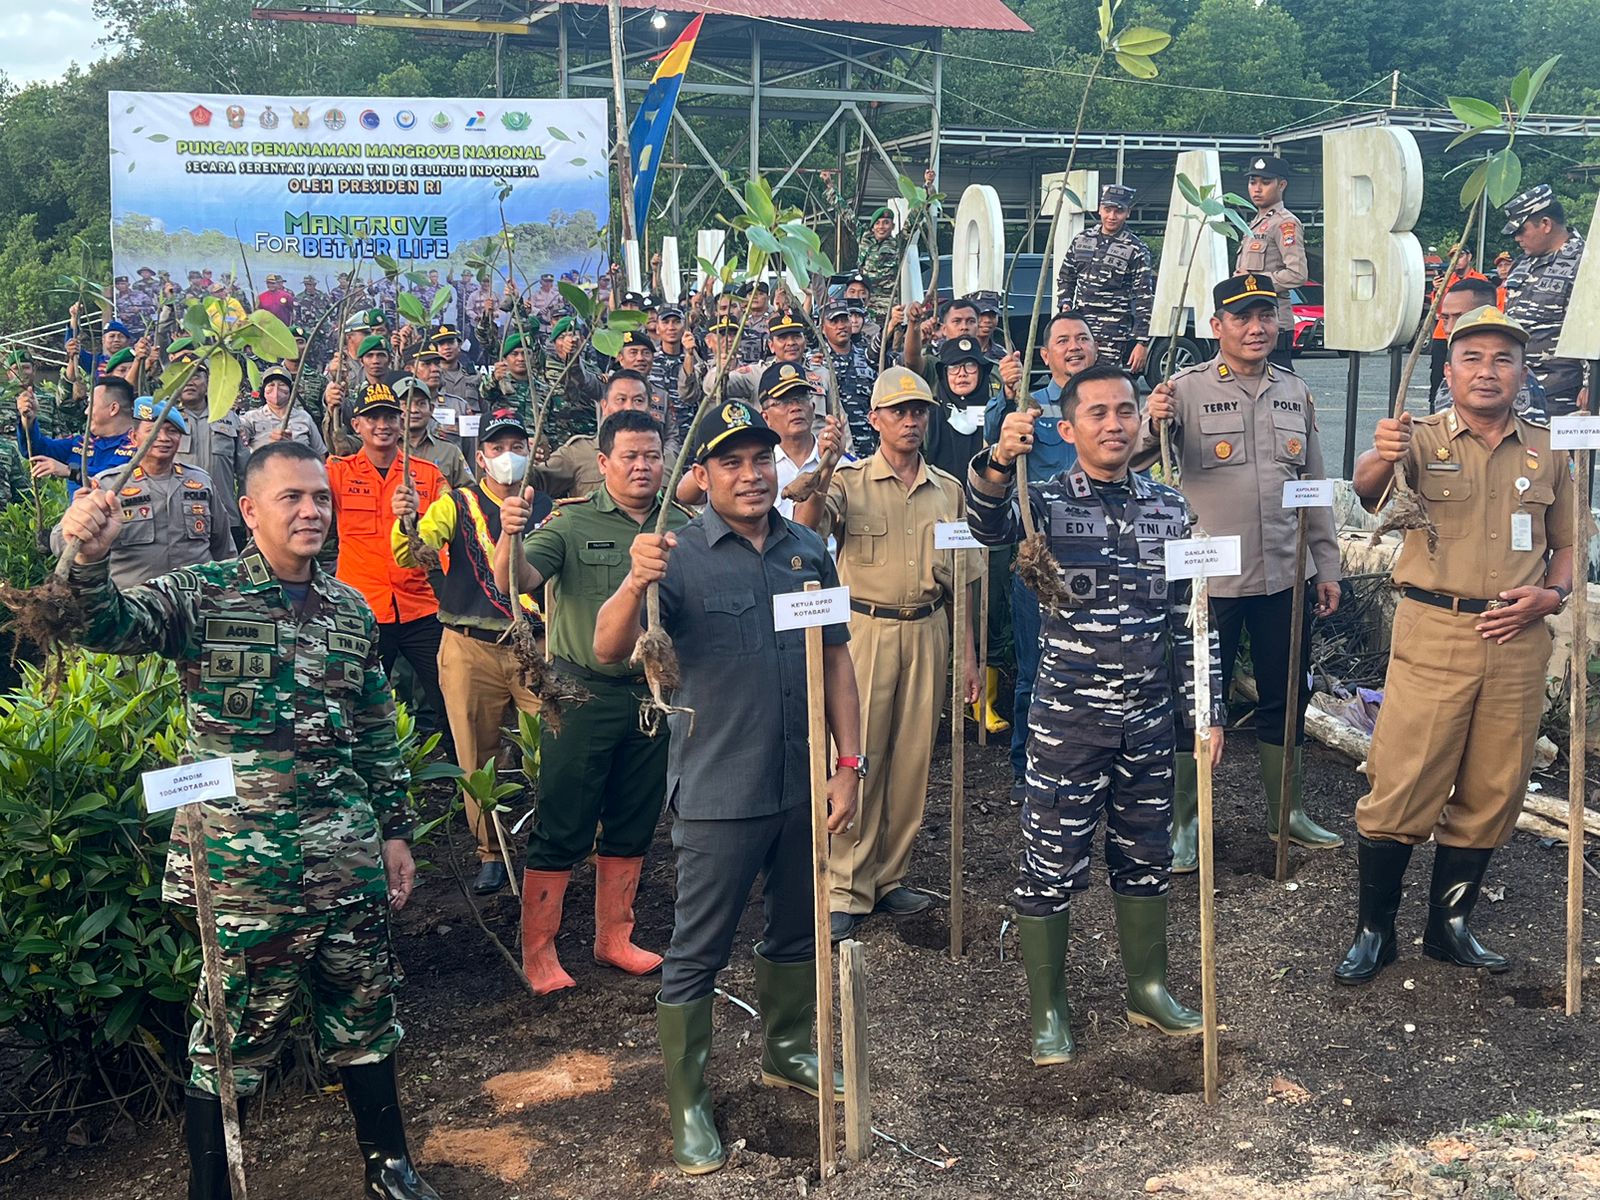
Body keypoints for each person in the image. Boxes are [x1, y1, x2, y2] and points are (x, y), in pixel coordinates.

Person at [56, 439, 441, 1200]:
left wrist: (395, 830)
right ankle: (212, 1189)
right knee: (232, 1040)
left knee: (365, 1013)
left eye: (321, 498)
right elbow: (101, 626)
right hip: (243, 872)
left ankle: (388, 1167)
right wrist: (86, 558)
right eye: (292, 498)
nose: (310, 511)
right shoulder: (203, 596)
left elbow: (373, 729)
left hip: (345, 859)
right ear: (250, 510)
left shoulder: (349, 608)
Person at [593, 399, 862, 1176]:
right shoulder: (672, 558)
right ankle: (688, 1104)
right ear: (701, 477)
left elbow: (837, 659)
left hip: (800, 783)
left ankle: (788, 1050)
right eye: (731, 463)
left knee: (796, 930)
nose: (750, 476)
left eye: (761, 460)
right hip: (718, 791)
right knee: (696, 953)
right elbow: (612, 648)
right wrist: (629, 583)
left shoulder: (808, 548)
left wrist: (850, 765)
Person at [968, 363, 1224, 1061]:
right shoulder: (1043, 502)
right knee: (1050, 863)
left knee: (1144, 856)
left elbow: (1193, 621)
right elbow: (987, 522)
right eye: (1098, 413)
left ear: (1141, 417)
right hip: (1068, 722)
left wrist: (1207, 709)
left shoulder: (1169, 508)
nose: (1114, 424)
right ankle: (1048, 1008)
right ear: (1068, 427)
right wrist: (995, 461)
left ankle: (1148, 990)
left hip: (1148, 720)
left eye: (1124, 411)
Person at [1337, 306, 1572, 984]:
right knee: (1404, 780)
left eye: (1503, 359)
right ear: (1450, 372)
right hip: (1434, 631)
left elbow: (1566, 546)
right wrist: (1379, 453)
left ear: (1522, 372)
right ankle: (1374, 932)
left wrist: (1551, 597)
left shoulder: (1548, 447)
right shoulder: (1417, 437)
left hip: (1519, 639)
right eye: (1473, 358)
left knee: (1495, 785)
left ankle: (1450, 927)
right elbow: (1369, 493)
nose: (1488, 371)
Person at [1137, 275, 1343, 869]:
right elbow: (1134, 459)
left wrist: (1324, 565)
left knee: (1287, 694)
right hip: (1210, 583)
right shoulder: (1184, 392)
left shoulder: (1294, 392)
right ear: (1217, 327)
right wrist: (1155, 420)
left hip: (1285, 574)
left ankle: (1289, 813)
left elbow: (1314, 486)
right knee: (1199, 700)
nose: (1256, 328)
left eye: (1266, 315)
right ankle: (1186, 822)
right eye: (1242, 317)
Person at [491, 409, 693, 990]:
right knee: (564, 821)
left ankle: (614, 938)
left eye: (652, 455)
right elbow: (521, 578)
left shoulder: (678, 523)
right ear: (602, 463)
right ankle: (540, 951)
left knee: (634, 820)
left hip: (650, 698)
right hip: (581, 694)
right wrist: (510, 532)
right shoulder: (572, 523)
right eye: (629, 456)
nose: (642, 466)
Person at [794, 367, 980, 940]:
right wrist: (823, 467)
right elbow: (805, 529)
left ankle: (888, 875)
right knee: (856, 753)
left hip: (929, 628)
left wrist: (969, 657)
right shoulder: (848, 482)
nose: (911, 420)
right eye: (898, 411)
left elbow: (964, 582)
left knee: (911, 757)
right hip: (864, 631)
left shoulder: (948, 489)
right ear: (874, 420)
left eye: (919, 410)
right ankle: (844, 885)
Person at [392, 409, 541, 895]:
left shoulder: (550, 507)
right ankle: (491, 851)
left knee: (561, 744)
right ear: (481, 457)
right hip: (468, 645)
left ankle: (567, 838)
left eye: (518, 446)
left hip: (534, 647)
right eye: (498, 449)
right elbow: (412, 553)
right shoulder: (456, 503)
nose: (508, 457)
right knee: (476, 755)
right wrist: (408, 522)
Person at [986, 312, 1097, 801]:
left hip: (1106, 564)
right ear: (1045, 355)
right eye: (1063, 341)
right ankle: (1025, 768)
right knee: (1036, 667)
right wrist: (1009, 398)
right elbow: (997, 441)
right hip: (1042, 562)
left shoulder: (1114, 398)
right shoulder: (1031, 402)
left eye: (1083, 337)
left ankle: (1091, 766)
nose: (1075, 347)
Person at [327, 388, 450, 735]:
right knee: (359, 700)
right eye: (372, 418)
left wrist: (415, 518)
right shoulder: (338, 473)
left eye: (390, 417)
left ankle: (462, 778)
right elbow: (300, 488)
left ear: (400, 424)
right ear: (357, 425)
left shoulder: (426, 475)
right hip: (362, 609)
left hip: (420, 607)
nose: (382, 425)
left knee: (448, 691)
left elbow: (451, 521)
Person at [923, 336, 1013, 737]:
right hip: (943, 522)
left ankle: (984, 702)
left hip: (988, 521)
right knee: (943, 606)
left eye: (971, 367)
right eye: (954, 367)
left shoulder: (995, 414)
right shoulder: (932, 414)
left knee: (987, 605)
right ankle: (945, 696)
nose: (962, 373)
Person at [52, 397, 233, 587]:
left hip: (196, 601)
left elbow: (223, 548)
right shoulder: (109, 485)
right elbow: (60, 543)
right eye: (152, 431)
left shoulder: (200, 481)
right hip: (134, 604)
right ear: (133, 437)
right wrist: (77, 526)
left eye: (172, 431)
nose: (163, 438)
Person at [1501, 184, 1589, 416]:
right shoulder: (1522, 263)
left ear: (1546, 224)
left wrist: (1591, 384)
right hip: (1516, 385)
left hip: (1561, 390)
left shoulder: (1586, 262)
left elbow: (1592, 326)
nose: (1517, 238)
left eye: (1521, 230)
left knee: (1557, 453)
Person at [1055, 183, 1156, 373]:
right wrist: (1065, 303)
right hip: (1080, 328)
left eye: (1118, 211)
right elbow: (1066, 276)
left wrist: (1142, 342)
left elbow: (1144, 297)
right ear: (1100, 209)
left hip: (1113, 333)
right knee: (1075, 380)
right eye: (1107, 209)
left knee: (1104, 382)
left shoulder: (1136, 249)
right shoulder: (1082, 240)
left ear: (1128, 212)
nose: (1112, 216)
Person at [1433, 280, 1549, 424]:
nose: (1449, 328)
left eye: (1459, 317)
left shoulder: (1511, 380)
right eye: (1445, 318)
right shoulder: (1454, 372)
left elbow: (1528, 440)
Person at [528, 370, 655, 501]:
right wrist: (519, 459)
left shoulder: (662, 456)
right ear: (604, 406)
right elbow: (534, 483)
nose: (629, 407)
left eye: (638, 400)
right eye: (621, 400)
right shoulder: (578, 452)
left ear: (649, 408)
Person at [169, 346, 252, 545]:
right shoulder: (165, 420)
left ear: (208, 382)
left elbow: (245, 472)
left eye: (196, 375)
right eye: (183, 375)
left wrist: (249, 514)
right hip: (178, 518)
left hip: (225, 516)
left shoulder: (228, 418)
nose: (189, 381)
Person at [1233, 155, 1308, 370]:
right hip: (1250, 321)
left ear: (1282, 185)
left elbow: (1297, 273)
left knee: (1277, 390)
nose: (1257, 188)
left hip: (1273, 323)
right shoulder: (1255, 224)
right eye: (1252, 182)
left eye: (1265, 183)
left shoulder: (1285, 223)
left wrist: (1254, 282)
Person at [19, 374, 136, 496]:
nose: (86, 412)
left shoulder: (139, 445)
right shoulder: (81, 443)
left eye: (91, 405)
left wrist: (71, 472)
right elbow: (35, 450)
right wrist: (28, 420)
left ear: (113, 408)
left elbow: (115, 478)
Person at [809, 298, 880, 456]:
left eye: (844, 319)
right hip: (834, 450)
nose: (841, 326)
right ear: (822, 328)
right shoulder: (814, 363)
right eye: (834, 322)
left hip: (870, 447)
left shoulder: (868, 357)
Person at [1426, 246, 1486, 405]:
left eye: (1460, 256)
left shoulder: (1479, 280)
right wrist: (1437, 290)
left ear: (1469, 257)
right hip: (1443, 335)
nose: (1457, 260)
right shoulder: (1446, 281)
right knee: (1438, 377)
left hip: (1468, 333)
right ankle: (1434, 410)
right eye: (1453, 256)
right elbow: (1437, 311)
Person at [397, 375, 474, 488]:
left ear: (432, 409)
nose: (413, 410)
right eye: (405, 404)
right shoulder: (383, 449)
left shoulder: (449, 451)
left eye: (421, 403)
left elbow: (468, 494)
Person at [238, 364, 328, 453]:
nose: (276, 389)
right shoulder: (251, 417)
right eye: (271, 385)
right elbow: (241, 432)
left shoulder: (304, 417)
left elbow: (320, 453)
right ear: (264, 391)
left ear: (290, 391)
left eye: (282, 384)